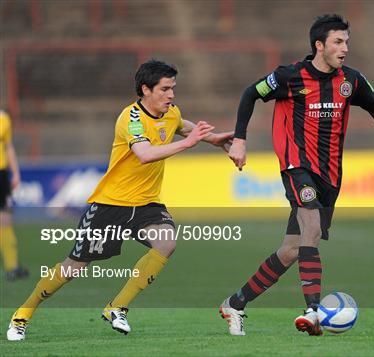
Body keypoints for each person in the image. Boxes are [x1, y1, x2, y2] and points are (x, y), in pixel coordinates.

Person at [220, 14, 374, 336]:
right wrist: (239, 139)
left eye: (347, 41)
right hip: (297, 165)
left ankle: (235, 304)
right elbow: (251, 93)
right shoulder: (289, 76)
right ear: (319, 45)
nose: (345, 47)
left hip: (330, 175)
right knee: (311, 227)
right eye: (338, 41)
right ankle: (313, 310)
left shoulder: (352, 81)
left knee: (292, 249)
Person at [7, 59, 233, 341]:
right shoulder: (131, 118)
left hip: (146, 204)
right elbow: (145, 153)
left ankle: (117, 307)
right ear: (145, 89)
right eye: (165, 89)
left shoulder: (170, 112)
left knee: (167, 242)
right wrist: (190, 144)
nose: (171, 95)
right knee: (72, 268)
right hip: (110, 205)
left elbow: (184, 126)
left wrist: (215, 139)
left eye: (173, 88)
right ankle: (22, 315)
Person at [0, 109, 28, 281]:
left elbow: (8, 146)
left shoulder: (3, 118)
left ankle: (11, 266)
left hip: (1, 174)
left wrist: (15, 172)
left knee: (5, 218)